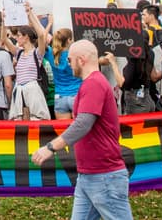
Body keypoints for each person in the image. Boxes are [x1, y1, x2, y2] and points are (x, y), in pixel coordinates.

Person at [29, 40, 132, 220]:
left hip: (104, 175)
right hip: (89, 174)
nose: (67, 65)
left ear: (82, 60)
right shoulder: (91, 83)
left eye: (69, 60)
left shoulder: (94, 84)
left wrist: (50, 147)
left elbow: (83, 123)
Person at [8, 18, 49, 121]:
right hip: (19, 90)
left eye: (18, 36)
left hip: (32, 90)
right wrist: (5, 20)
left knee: (37, 119)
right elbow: (4, 39)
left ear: (26, 37)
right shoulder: (19, 53)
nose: (16, 38)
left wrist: (30, 14)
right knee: (18, 120)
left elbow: (41, 35)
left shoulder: (37, 53)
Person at [44, 28, 81, 120]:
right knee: (80, 130)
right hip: (76, 94)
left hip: (59, 97)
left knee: (63, 131)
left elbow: (42, 38)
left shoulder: (51, 54)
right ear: (69, 40)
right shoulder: (75, 54)